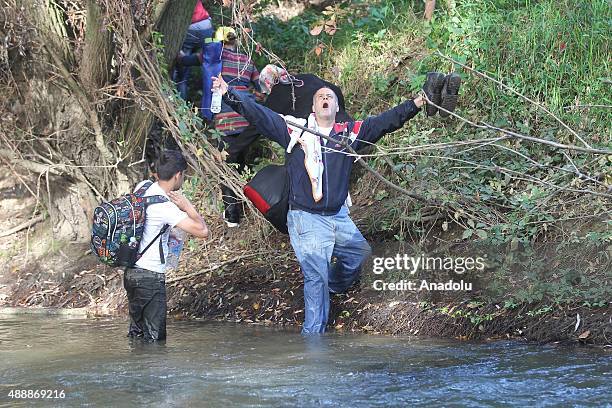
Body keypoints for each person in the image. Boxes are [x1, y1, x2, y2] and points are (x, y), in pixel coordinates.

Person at [211, 73, 435, 334]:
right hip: (306, 218)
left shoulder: (350, 133)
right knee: (315, 279)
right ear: (314, 108)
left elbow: (386, 121)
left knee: (359, 255)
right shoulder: (294, 130)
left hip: (337, 216)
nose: (325, 98)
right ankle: (314, 351)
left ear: (337, 107)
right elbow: (260, 114)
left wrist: (418, 103)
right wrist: (229, 94)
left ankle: (335, 286)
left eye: (329, 96)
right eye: (320, 97)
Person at [221, 65, 352, 227]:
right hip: (344, 130)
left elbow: (255, 127)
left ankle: (307, 222)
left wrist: (230, 152)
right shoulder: (309, 77)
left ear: (268, 85)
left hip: (314, 141)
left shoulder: (276, 96)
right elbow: (335, 90)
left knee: (298, 171)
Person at [124, 150, 209, 341]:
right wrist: (188, 207)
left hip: (131, 273)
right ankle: (152, 370)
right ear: (178, 175)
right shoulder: (165, 207)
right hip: (150, 277)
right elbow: (203, 231)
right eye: (184, 176)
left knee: (136, 335)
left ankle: (135, 368)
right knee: (155, 341)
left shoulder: (143, 187)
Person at [172, 0, 214, 100]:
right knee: (207, 65)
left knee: (181, 76)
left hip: (191, 28)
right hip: (206, 27)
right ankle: (209, 106)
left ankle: (180, 107)